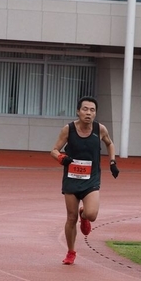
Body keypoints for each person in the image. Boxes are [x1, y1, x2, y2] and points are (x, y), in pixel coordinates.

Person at [51, 96, 119, 265]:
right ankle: (71, 252)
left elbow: (110, 144)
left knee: (92, 214)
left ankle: (84, 215)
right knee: (71, 217)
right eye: (85, 109)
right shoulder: (68, 129)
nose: (88, 113)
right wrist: (61, 158)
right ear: (78, 111)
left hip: (91, 179)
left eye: (92, 110)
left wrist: (112, 162)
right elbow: (54, 150)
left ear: (95, 113)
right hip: (71, 179)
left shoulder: (100, 129)